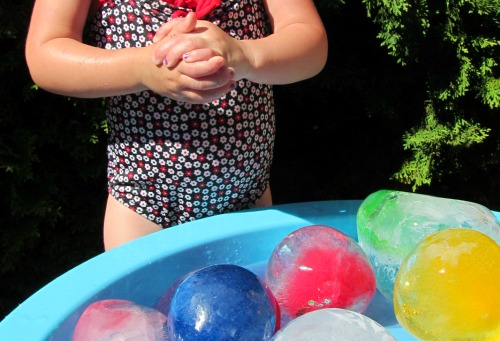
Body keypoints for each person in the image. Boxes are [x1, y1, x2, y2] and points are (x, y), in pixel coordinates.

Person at [25, 0, 328, 249]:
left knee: (251, 314)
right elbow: (45, 53)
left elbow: (310, 41)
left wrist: (245, 54)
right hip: (144, 205)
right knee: (145, 316)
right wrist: (142, 68)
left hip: (248, 197)